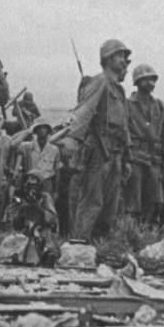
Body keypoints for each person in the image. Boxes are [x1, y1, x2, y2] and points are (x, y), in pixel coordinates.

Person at [61, 38, 132, 241]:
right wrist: (71, 138)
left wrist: (127, 157)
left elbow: (124, 127)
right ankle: (79, 243)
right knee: (92, 200)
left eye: (126, 58)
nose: (124, 61)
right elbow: (84, 110)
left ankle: (99, 245)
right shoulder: (100, 81)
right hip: (99, 149)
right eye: (120, 56)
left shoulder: (119, 90)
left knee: (110, 204)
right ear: (108, 58)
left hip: (116, 153)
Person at [125, 63, 164, 225]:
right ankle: (131, 233)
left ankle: (148, 234)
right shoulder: (128, 104)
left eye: (152, 80)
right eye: (145, 80)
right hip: (135, 156)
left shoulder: (159, 106)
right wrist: (126, 158)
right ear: (137, 82)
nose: (150, 83)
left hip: (154, 159)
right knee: (133, 202)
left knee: (156, 201)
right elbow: (124, 132)